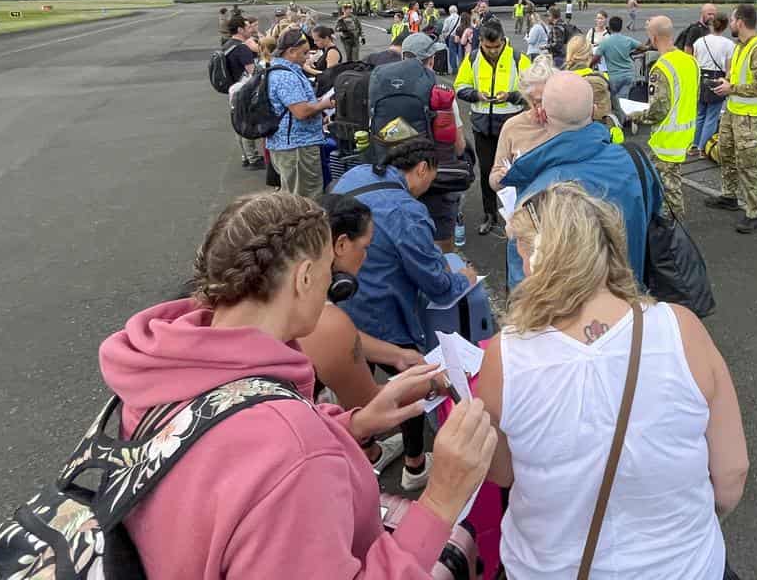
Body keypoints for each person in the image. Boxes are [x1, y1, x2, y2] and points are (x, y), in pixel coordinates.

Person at [98, 191, 497, 579]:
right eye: (328, 270)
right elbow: (279, 462)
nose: (332, 283)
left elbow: (224, 454)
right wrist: (442, 498)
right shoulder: (294, 452)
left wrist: (354, 424)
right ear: (305, 278)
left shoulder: (168, 359)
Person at [476, 182, 748, 579]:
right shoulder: (681, 329)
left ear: (537, 258)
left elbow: (501, 473)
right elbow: (731, 477)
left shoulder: (505, 356)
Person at [332, 128, 479, 488]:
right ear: (423, 168)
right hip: (385, 313)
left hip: (338, 305)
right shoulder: (407, 212)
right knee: (411, 380)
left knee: (349, 380)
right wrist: (466, 278)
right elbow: (438, 284)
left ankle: (365, 449)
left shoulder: (355, 175)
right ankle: (415, 465)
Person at [298, 193, 427, 475]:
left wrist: (396, 354)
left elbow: (332, 339)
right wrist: (436, 380)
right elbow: (368, 403)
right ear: (341, 244)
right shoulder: (329, 323)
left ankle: (372, 454)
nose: (366, 257)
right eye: (365, 247)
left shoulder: (289, 288)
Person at [500, 72, 661, 286]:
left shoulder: (536, 192)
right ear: (593, 110)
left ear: (543, 115)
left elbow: (522, 282)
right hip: (632, 294)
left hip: (570, 313)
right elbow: (653, 213)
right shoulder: (636, 159)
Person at [371, 33, 467, 252]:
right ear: (431, 60)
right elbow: (458, 143)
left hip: (392, 172)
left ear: (403, 55)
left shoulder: (381, 83)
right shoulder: (438, 90)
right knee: (441, 236)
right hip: (431, 175)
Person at [455, 20, 532, 234]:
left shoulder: (518, 58)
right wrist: (476, 95)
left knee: (515, 172)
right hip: (483, 128)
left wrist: (511, 96)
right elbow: (460, 87)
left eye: (497, 46)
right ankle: (490, 214)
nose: (492, 51)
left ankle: (518, 215)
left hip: (511, 128)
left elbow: (531, 92)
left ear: (503, 41)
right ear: (480, 41)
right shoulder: (472, 58)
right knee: (488, 172)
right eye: (488, 47)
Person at [704, 4, 757, 234]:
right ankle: (729, 196)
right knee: (726, 152)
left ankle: (754, 211)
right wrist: (724, 84)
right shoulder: (739, 47)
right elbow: (735, 76)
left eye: (733, 20)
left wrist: (731, 87)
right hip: (733, 111)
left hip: (749, 117)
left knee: (748, 163)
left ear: (740, 22)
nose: (730, 24)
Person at [631, 16, 699, 218]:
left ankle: (675, 233)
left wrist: (636, 116)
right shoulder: (691, 61)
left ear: (653, 37)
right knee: (672, 182)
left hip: (667, 138)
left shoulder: (661, 68)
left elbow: (658, 110)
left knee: (669, 191)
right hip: (685, 133)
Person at [267, 29, 335, 198]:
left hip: (288, 145)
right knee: (306, 198)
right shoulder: (286, 77)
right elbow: (301, 112)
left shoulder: (279, 70)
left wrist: (316, 103)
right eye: (304, 53)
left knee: (293, 195)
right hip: (298, 148)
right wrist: (323, 105)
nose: (307, 57)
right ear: (290, 51)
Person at [490, 55, 558, 191]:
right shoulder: (513, 127)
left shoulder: (567, 122)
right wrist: (501, 177)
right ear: (528, 99)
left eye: (547, 99)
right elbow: (494, 179)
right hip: (525, 206)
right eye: (537, 101)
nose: (542, 107)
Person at [692, 13, 735, 155]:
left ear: (711, 24)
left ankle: (694, 144)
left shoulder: (699, 42)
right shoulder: (729, 44)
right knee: (712, 116)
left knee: (699, 114)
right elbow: (729, 69)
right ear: (725, 26)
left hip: (701, 79)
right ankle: (704, 148)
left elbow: (694, 62)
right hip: (717, 79)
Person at [224, 17, 260, 170]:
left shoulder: (227, 45)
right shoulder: (242, 48)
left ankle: (246, 155)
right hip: (243, 89)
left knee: (239, 122)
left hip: (233, 88)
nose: (249, 29)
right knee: (246, 123)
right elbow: (253, 72)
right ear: (239, 30)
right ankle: (253, 158)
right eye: (246, 27)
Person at [564, 36, 615, 138]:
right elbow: (607, 113)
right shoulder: (600, 79)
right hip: (597, 136)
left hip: (567, 136)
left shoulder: (557, 80)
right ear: (590, 56)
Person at [595, 15, 643, 101]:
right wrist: (632, 53)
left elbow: (596, 57)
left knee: (614, 101)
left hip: (614, 76)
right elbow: (643, 47)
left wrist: (589, 65)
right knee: (624, 99)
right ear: (621, 27)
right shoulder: (628, 40)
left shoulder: (605, 42)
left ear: (609, 28)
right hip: (629, 74)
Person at [441, 5, 462, 75]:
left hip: (452, 37)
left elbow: (444, 30)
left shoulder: (447, 19)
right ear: (456, 11)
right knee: (460, 53)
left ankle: (454, 69)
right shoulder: (460, 18)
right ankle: (461, 68)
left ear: (450, 11)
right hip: (460, 37)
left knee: (452, 53)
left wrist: (445, 36)